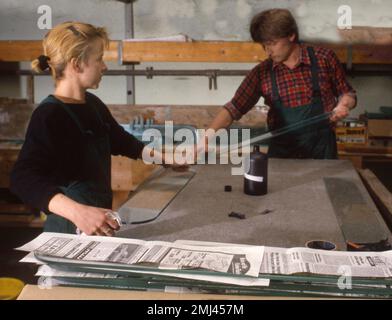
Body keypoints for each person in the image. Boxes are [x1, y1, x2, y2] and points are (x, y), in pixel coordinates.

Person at [10, 21, 174, 236]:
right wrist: (78, 212)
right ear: (77, 64)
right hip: (68, 232)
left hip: (96, 228)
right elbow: (23, 178)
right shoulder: (49, 115)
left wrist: (163, 158)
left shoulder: (92, 104)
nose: (104, 66)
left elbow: (123, 142)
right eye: (99, 59)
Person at [205, 9, 357, 159]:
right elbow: (234, 108)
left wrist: (344, 104)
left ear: (291, 35)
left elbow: (348, 93)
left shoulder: (324, 58)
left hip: (321, 153)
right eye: (264, 45)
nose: (267, 51)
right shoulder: (262, 72)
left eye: (272, 43)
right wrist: (204, 140)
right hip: (282, 155)